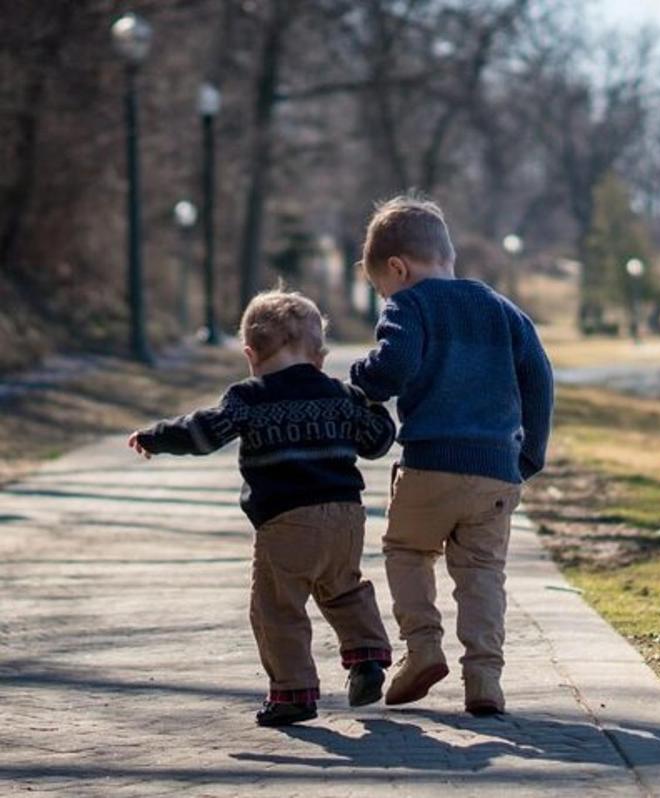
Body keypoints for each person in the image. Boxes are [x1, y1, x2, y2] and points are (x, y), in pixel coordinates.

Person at [128, 289, 395, 727]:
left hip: (287, 521)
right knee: (344, 588)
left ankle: (293, 692)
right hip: (346, 517)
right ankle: (367, 659)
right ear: (320, 355)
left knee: (277, 607)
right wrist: (375, 406)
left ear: (250, 354)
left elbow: (204, 433)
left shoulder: (248, 398)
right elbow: (377, 442)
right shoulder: (340, 394)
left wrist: (157, 437)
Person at [351, 195, 554, 716]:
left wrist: (361, 379)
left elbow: (392, 368)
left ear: (398, 268)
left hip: (430, 464)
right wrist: (529, 454)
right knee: (483, 572)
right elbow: (539, 379)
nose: (385, 296)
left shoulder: (409, 305)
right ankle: (484, 678)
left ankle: (422, 649)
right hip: (495, 471)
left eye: (382, 288)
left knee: (407, 551)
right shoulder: (502, 309)